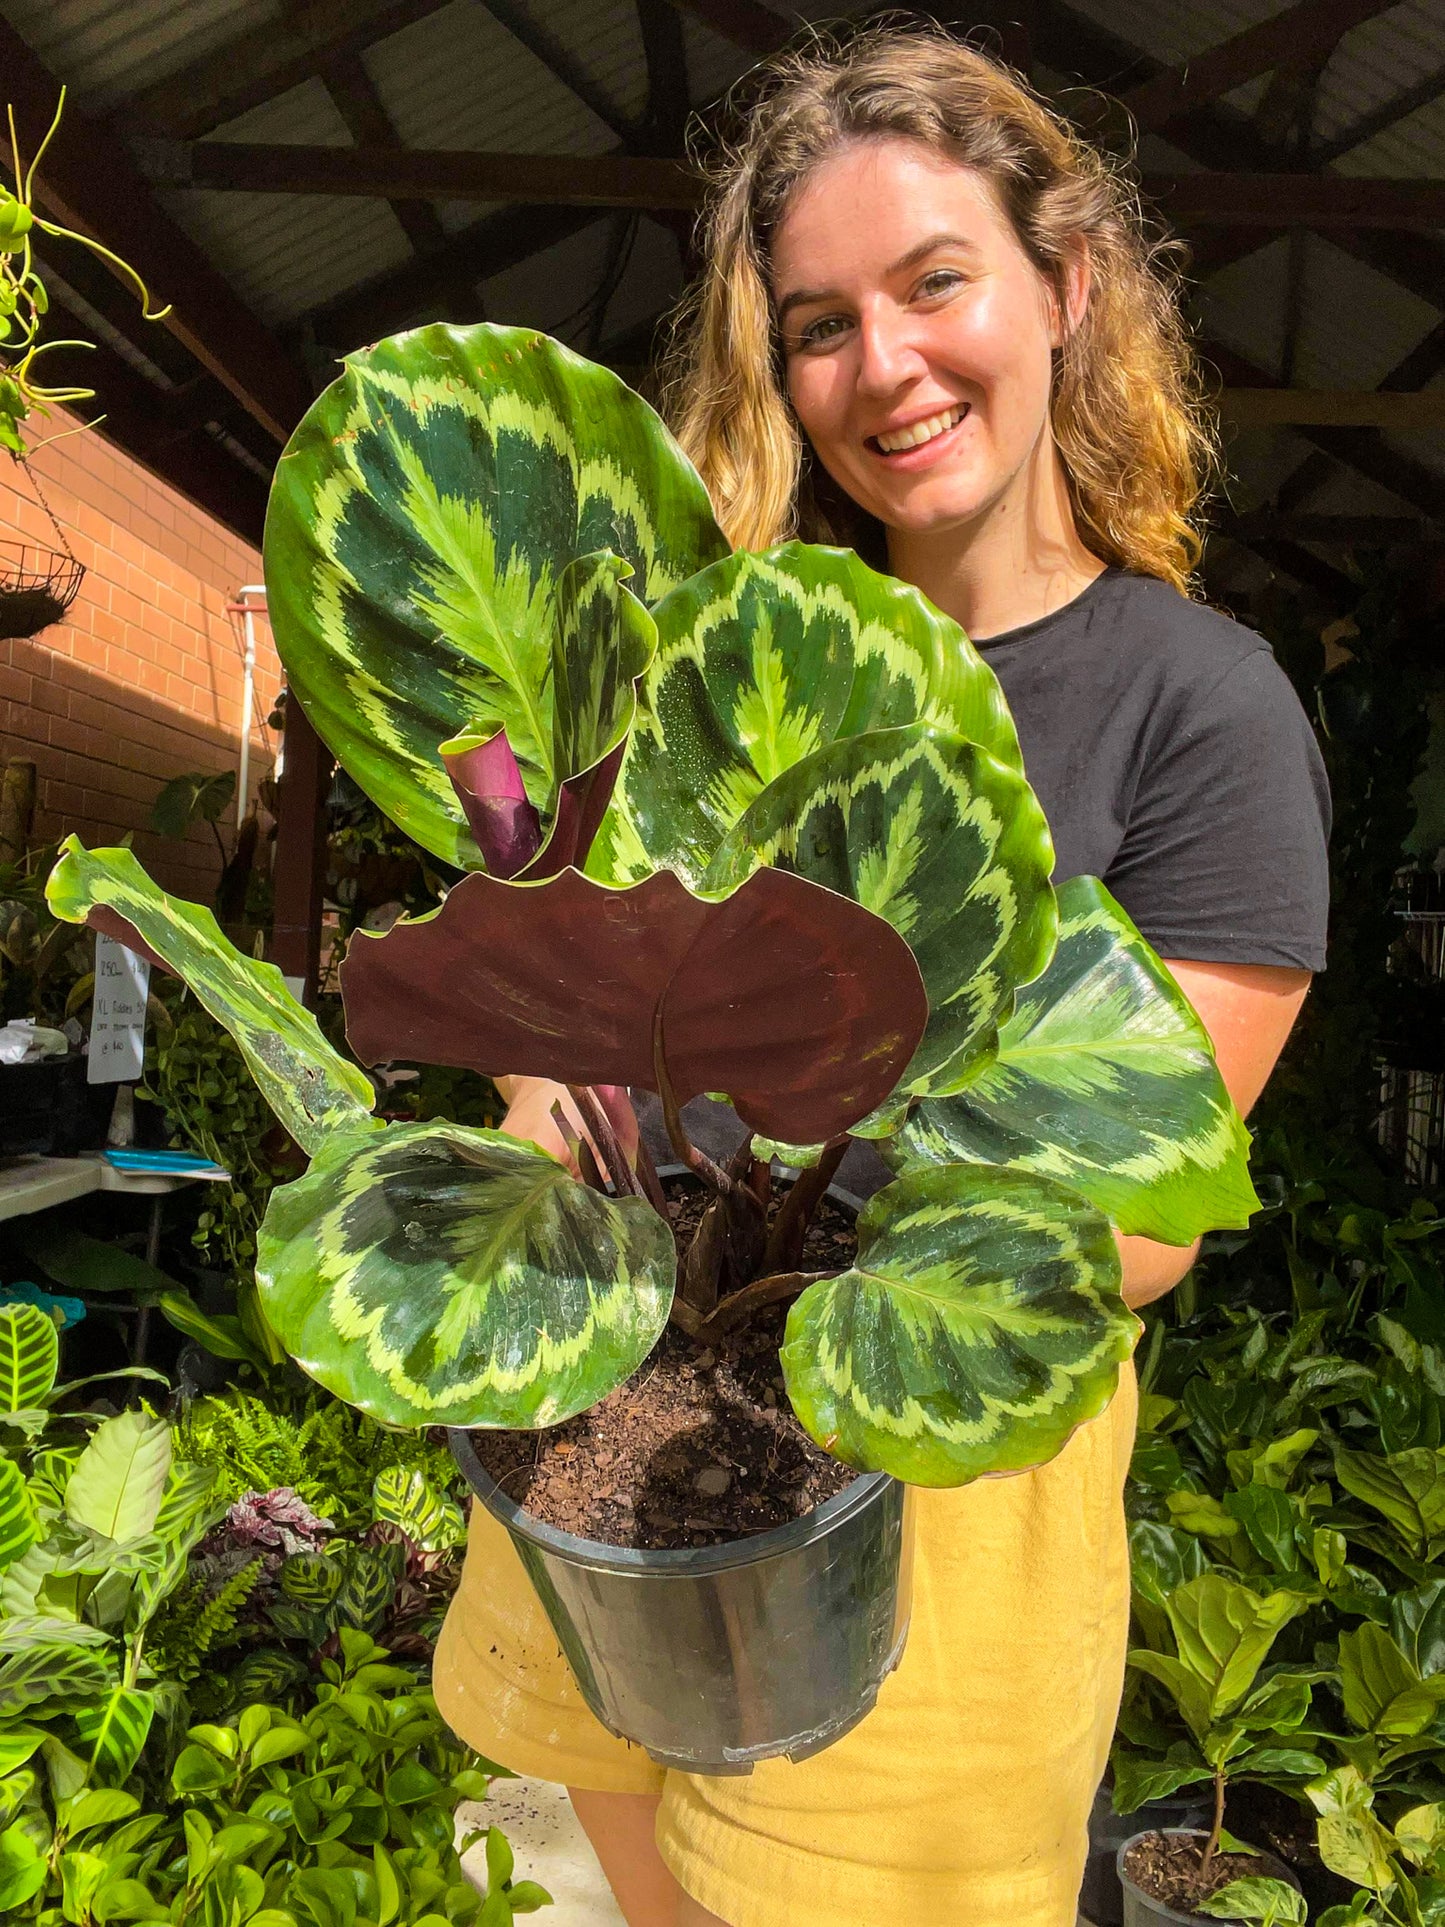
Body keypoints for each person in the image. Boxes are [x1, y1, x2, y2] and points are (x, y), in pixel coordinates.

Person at [433, 27, 1330, 1927]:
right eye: (818, 323)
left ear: (1066, 285)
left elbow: (1139, 1220)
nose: (884, 367)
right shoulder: (727, 661)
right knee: (611, 1851)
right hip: (615, 1421)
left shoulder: (1200, 710)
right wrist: (536, 1150)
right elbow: (556, 1034)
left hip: (933, 1488)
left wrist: (739, 1160)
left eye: (937, 283)